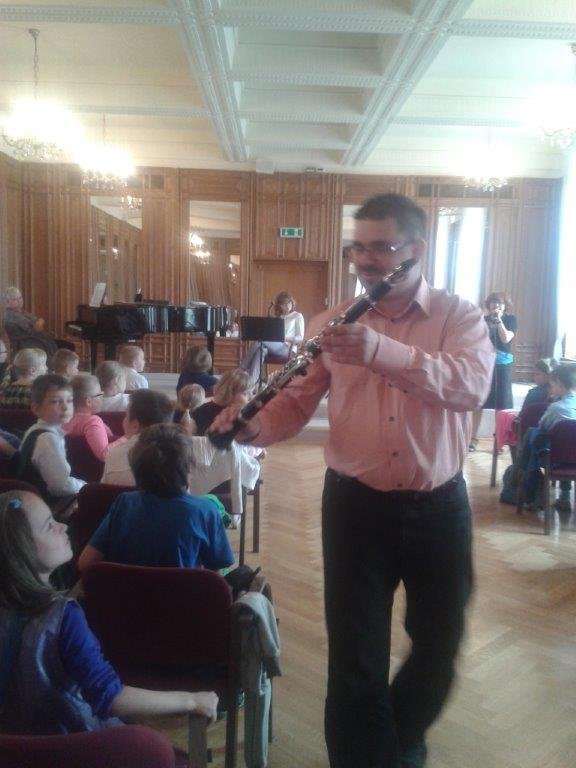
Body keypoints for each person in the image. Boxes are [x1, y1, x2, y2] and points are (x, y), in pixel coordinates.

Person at [211, 193, 494, 768]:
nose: (366, 259)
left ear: (416, 250)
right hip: (355, 506)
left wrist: (381, 351)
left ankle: (397, 740)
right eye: (357, 247)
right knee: (355, 655)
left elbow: (471, 387)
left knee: (439, 644)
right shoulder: (331, 323)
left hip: (439, 505)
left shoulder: (458, 316)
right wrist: (254, 424)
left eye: (381, 246)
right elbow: (293, 403)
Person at [0, 490, 218, 735]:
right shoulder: (63, 617)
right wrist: (192, 700)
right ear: (21, 550)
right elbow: (110, 697)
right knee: (151, 745)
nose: (63, 526)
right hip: (65, 742)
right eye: (50, 526)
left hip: (13, 745)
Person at [78, 423, 234, 573]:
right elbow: (214, 576)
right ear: (190, 467)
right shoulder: (206, 511)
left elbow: (85, 563)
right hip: (182, 592)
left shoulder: (124, 503)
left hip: (126, 591)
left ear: (136, 466)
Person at [16, 374, 85, 500]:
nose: (65, 407)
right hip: (45, 502)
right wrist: (84, 486)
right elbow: (59, 487)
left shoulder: (34, 429)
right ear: (36, 408)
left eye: (69, 400)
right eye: (55, 401)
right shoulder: (47, 439)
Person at [519, 363, 576, 511]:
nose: (550, 388)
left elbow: (542, 425)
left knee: (534, 436)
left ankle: (533, 495)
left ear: (560, 384)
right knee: (567, 445)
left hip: (555, 458)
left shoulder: (556, 408)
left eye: (552, 385)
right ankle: (564, 497)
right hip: (573, 458)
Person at [469, 291, 516, 451]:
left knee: (501, 405)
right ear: (488, 305)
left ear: (505, 306)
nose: (496, 305)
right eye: (493, 302)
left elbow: (506, 338)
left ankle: (499, 440)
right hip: (484, 365)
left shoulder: (510, 320)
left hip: (503, 366)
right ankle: (472, 439)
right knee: (479, 402)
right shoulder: (482, 320)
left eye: (500, 303)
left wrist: (499, 321)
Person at [102, 389, 174, 486]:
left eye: (126, 415)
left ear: (135, 426)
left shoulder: (114, 455)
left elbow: (104, 489)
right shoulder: (180, 456)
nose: (123, 420)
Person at [240, 291, 305, 385]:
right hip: (273, 346)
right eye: (283, 304)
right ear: (280, 306)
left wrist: (284, 337)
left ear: (292, 302)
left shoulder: (297, 316)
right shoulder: (278, 317)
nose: (287, 306)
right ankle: (250, 384)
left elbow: (300, 338)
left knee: (259, 341)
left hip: (287, 348)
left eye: (288, 303)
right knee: (261, 350)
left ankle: (242, 368)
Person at [2, 286, 74, 356]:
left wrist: (39, 322)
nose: (20, 301)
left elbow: (39, 322)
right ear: (7, 302)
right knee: (67, 347)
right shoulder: (11, 316)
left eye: (20, 298)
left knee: (68, 345)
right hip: (30, 346)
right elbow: (36, 328)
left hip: (39, 341)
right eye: (15, 299)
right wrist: (39, 322)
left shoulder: (22, 312)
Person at [63, 374, 112, 462]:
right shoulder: (91, 421)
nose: (102, 397)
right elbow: (104, 455)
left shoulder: (61, 420)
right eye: (100, 394)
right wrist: (127, 438)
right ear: (88, 401)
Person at [193, 368, 252, 437]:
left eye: (251, 392)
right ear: (230, 393)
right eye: (245, 393)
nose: (251, 397)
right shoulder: (229, 418)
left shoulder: (203, 408)